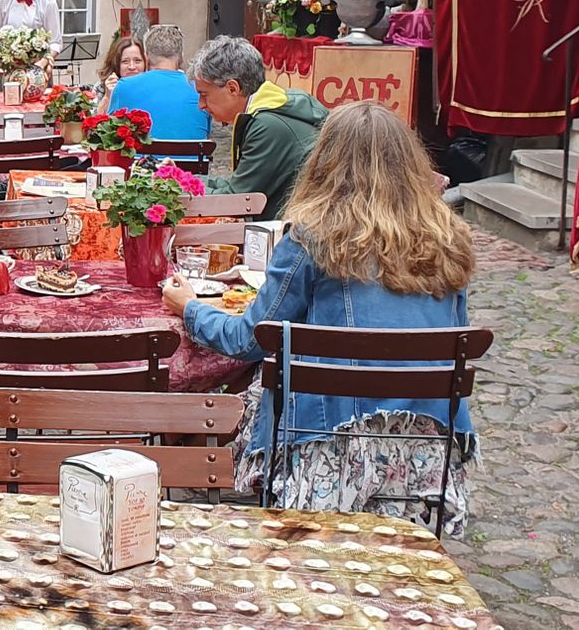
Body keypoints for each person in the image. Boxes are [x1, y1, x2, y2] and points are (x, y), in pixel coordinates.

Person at [162, 101, 478, 534]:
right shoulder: (448, 236)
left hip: (329, 450)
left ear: (324, 161)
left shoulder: (313, 237)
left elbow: (250, 339)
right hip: (424, 450)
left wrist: (190, 307)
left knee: (264, 383)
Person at [189, 34, 327, 220]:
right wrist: (186, 181)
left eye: (204, 94)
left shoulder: (267, 125)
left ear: (232, 88)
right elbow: (240, 183)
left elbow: (237, 199)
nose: (201, 105)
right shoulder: (269, 110)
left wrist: (182, 188)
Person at [108, 25, 210, 141]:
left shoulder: (124, 86)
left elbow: (111, 133)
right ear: (181, 56)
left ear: (146, 57)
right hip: (192, 158)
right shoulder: (202, 89)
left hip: (140, 159)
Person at [98, 35, 146, 109]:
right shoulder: (103, 86)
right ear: (115, 63)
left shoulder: (152, 87)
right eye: (125, 61)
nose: (132, 67)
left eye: (137, 60)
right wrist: (108, 97)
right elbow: (96, 118)